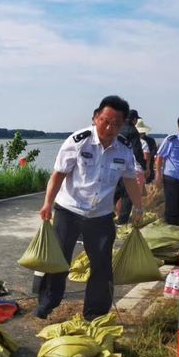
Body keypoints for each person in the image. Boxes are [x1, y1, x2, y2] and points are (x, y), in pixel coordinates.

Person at [37, 95, 144, 320]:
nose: (109, 127)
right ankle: (47, 304)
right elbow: (58, 175)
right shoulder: (78, 141)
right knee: (59, 261)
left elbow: (130, 180)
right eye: (105, 120)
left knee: (102, 266)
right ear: (96, 117)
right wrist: (48, 203)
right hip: (69, 211)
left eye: (115, 123)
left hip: (101, 215)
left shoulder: (124, 149)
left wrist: (139, 208)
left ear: (123, 124)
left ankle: (94, 314)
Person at [113, 109, 148, 224]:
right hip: (127, 166)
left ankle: (104, 215)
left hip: (113, 166)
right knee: (127, 194)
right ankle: (122, 221)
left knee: (113, 192)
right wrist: (143, 165)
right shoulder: (133, 131)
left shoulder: (117, 128)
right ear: (134, 120)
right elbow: (136, 151)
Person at [135, 118, 158, 185]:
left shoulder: (150, 141)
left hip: (147, 167)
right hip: (143, 168)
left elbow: (151, 154)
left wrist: (147, 167)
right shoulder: (150, 140)